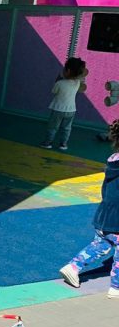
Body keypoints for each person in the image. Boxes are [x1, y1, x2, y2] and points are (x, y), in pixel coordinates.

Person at [59, 119, 119, 298]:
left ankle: (73, 266)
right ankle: (116, 287)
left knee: (101, 243)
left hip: (104, 215)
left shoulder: (113, 161)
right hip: (117, 218)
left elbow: (106, 190)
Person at [41, 57, 88, 152]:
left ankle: (48, 143)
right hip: (71, 110)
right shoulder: (77, 83)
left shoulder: (60, 83)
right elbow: (80, 77)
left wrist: (59, 77)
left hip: (58, 109)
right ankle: (63, 144)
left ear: (68, 71)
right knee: (67, 128)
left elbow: (54, 91)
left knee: (53, 127)